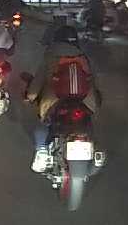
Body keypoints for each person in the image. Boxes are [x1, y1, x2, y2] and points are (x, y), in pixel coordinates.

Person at [26, 25, 101, 172]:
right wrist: (96, 99)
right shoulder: (83, 57)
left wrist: (31, 96)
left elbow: (39, 80)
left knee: (43, 124)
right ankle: (93, 149)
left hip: (55, 100)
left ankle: (41, 152)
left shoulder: (50, 56)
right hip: (84, 101)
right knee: (87, 123)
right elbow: (93, 80)